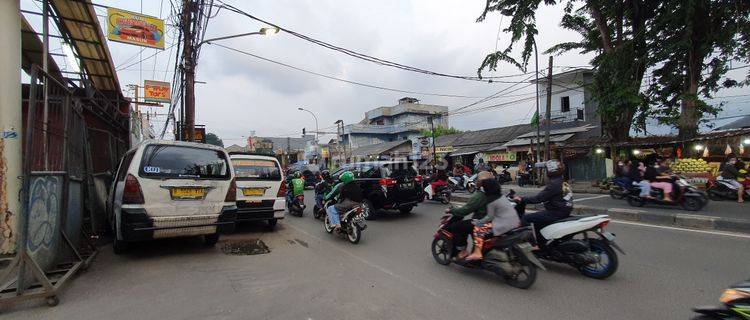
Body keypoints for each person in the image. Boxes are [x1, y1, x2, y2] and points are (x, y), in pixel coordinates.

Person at [445, 171, 497, 259]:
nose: (476, 182)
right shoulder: (495, 192)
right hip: (495, 221)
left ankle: (462, 251)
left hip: (481, 223)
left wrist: (452, 210)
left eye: (477, 181)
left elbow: (465, 211)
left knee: (456, 226)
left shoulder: (480, 196)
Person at [464, 179, 520, 261]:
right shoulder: (500, 196)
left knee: (478, 228)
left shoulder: (491, 199)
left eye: (484, 187)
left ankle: (477, 252)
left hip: (504, 224)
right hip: (515, 222)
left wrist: (478, 222)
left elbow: (489, 217)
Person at [515, 160, 573, 234]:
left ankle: (532, 242)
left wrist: (522, 198)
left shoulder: (554, 184)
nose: (545, 172)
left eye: (546, 170)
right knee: (538, 219)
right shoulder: (562, 182)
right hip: (563, 211)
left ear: (551, 171)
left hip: (555, 213)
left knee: (525, 218)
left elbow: (538, 198)